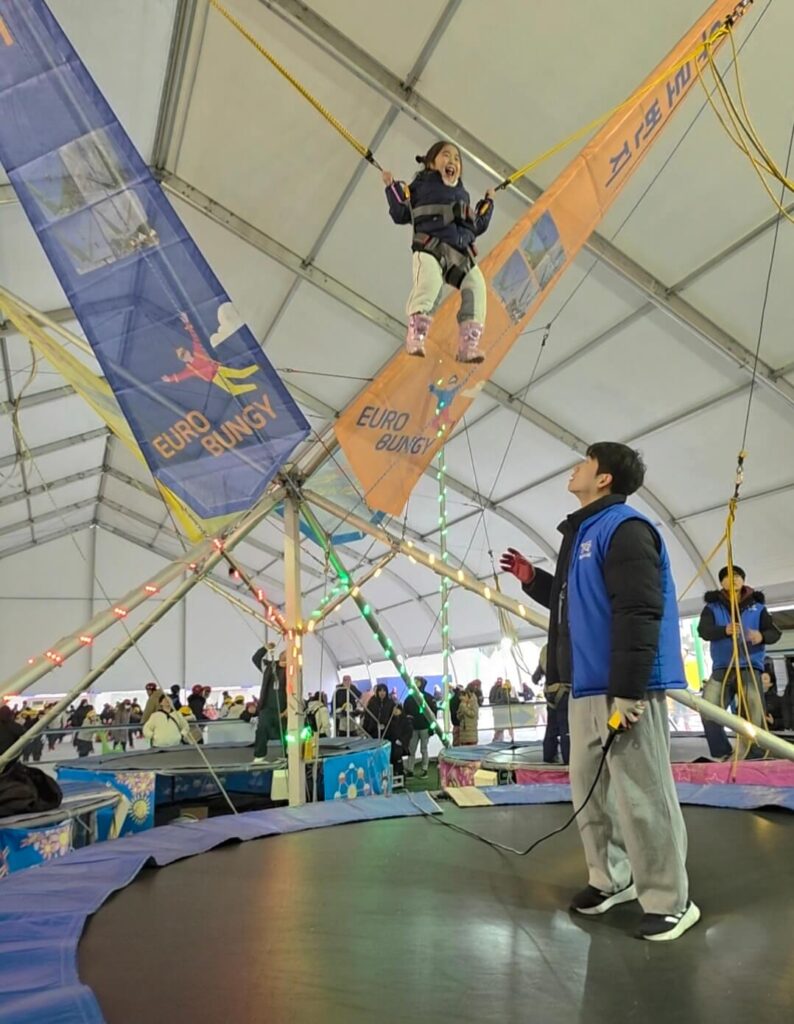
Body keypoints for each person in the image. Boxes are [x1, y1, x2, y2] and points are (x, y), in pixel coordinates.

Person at [500, 441, 699, 941]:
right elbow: (572, 601)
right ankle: (612, 878)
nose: (575, 468)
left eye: (585, 462)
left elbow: (639, 610)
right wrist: (533, 580)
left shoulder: (626, 529)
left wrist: (629, 691)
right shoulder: (582, 534)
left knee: (643, 794)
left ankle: (671, 901)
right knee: (592, 794)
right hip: (585, 687)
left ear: (604, 477)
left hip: (624, 689)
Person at [382, 140, 494, 361]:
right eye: (446, 155)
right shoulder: (421, 187)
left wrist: (488, 203)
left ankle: (468, 344)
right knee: (430, 284)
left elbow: (476, 225)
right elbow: (400, 213)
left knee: (477, 286)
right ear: (431, 163)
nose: (452, 161)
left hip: (459, 253)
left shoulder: (463, 195)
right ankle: (416, 334)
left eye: (457, 159)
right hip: (430, 246)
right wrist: (391, 186)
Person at [697, 566, 781, 759]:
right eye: (727, 576)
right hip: (722, 667)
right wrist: (723, 630)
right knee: (707, 708)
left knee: (754, 713)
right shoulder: (712, 608)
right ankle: (722, 752)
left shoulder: (758, 608)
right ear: (721, 583)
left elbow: (774, 633)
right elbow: (703, 631)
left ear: (743, 580)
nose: (733, 579)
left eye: (737, 576)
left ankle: (755, 754)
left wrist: (761, 636)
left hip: (749, 667)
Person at [535, 644, 571, 764]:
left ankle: (548, 756)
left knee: (551, 727)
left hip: (550, 692)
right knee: (566, 728)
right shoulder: (565, 645)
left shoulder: (545, 649)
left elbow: (536, 677)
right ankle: (568, 759)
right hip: (564, 690)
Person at [252, 647, 287, 764]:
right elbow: (256, 658)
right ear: (281, 657)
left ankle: (288, 756)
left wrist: (289, 709)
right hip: (267, 708)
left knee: (288, 733)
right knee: (261, 730)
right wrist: (265, 648)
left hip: (284, 709)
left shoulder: (293, 671)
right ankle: (259, 756)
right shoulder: (269, 667)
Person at [404, 678, 437, 778]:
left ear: (422, 683)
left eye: (417, 682)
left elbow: (433, 713)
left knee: (424, 749)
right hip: (413, 728)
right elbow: (405, 712)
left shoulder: (428, 697)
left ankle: (424, 769)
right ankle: (410, 769)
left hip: (424, 728)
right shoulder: (410, 698)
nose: (415, 683)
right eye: (415, 682)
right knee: (411, 749)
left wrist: (431, 728)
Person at [385, 703, 413, 778]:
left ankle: (400, 773)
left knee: (397, 756)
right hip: (392, 744)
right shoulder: (389, 721)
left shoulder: (405, 720)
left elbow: (408, 733)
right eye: (394, 709)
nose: (396, 711)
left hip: (401, 745)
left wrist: (401, 741)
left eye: (397, 709)